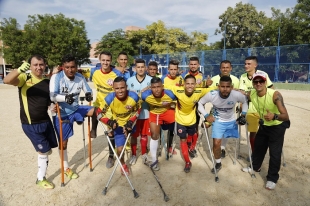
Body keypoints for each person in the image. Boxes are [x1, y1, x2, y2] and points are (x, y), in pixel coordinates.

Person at [4, 55, 58, 189]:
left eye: (41, 64)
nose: (39, 67)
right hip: (31, 124)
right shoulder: (25, 78)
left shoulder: (47, 81)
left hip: (45, 122)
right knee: (44, 151)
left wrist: (53, 108)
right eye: (35, 65)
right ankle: (40, 178)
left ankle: (42, 169)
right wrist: (19, 70)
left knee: (48, 151)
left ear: (45, 65)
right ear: (30, 66)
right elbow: (7, 80)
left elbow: (49, 104)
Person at [242, 72, 289, 190]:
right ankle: (255, 167)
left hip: (277, 125)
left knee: (274, 153)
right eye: (256, 82)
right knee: (258, 147)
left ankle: (272, 178)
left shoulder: (275, 95)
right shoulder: (252, 93)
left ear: (265, 82)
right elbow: (241, 93)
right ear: (252, 83)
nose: (258, 84)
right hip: (264, 124)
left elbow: (286, 116)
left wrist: (274, 116)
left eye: (261, 81)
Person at [50, 54, 94, 180]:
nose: (70, 70)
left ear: (76, 67)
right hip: (62, 112)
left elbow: (87, 89)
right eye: (67, 67)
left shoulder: (80, 77)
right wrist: (65, 98)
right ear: (63, 67)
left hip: (76, 108)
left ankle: (91, 128)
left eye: (73, 67)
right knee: (63, 143)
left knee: (96, 111)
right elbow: (52, 96)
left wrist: (89, 94)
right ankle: (66, 167)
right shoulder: (56, 77)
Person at [198, 76, 248, 174]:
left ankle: (223, 148)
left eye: (228, 87)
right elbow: (200, 103)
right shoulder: (212, 94)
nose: (225, 89)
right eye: (222, 86)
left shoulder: (236, 94)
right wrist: (206, 115)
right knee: (216, 143)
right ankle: (218, 163)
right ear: (218, 86)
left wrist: (243, 114)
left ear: (232, 87)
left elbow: (245, 101)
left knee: (226, 136)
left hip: (231, 120)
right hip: (218, 120)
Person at [165, 75, 215, 172]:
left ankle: (191, 148)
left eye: (192, 84)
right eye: (187, 83)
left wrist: (237, 90)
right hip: (180, 120)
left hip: (192, 119)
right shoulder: (177, 90)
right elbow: (162, 86)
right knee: (183, 140)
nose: (190, 86)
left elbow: (215, 88)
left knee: (193, 134)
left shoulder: (199, 91)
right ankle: (188, 162)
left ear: (196, 85)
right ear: (183, 84)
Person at [97, 77, 141, 175]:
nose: (120, 91)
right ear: (113, 88)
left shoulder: (134, 97)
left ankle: (133, 154)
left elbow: (138, 110)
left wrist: (131, 121)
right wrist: (110, 122)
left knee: (134, 137)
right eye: (117, 88)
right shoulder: (109, 98)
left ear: (126, 87)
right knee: (120, 150)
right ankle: (123, 164)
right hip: (118, 125)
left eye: (122, 88)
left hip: (130, 122)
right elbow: (99, 114)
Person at [90, 51, 123, 168]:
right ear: (100, 60)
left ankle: (110, 156)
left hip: (111, 106)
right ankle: (93, 129)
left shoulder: (116, 74)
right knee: (92, 109)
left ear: (111, 61)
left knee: (111, 130)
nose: (105, 62)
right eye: (103, 60)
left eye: (108, 60)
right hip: (99, 103)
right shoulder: (94, 72)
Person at [239, 56, 273, 154]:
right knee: (253, 132)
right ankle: (255, 154)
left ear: (255, 65)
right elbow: (242, 93)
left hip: (264, 107)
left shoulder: (263, 74)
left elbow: (271, 88)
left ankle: (268, 151)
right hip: (251, 109)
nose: (246, 66)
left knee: (268, 131)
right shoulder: (243, 77)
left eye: (249, 64)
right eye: (245, 64)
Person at [141, 77, 176, 170]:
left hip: (167, 111)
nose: (156, 89)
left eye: (158, 87)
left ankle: (171, 146)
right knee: (154, 135)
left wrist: (169, 104)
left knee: (177, 128)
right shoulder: (145, 96)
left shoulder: (170, 95)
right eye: (154, 87)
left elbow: (178, 103)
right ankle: (154, 160)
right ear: (150, 88)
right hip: (155, 113)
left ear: (162, 87)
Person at [209, 60, 240, 158]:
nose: (225, 69)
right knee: (217, 129)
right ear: (220, 68)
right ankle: (217, 147)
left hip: (229, 109)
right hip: (217, 109)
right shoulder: (214, 79)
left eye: (227, 67)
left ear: (231, 68)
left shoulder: (235, 80)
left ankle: (222, 147)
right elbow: (210, 93)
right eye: (223, 67)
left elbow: (237, 95)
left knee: (226, 130)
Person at [126, 59, 152, 165]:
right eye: (138, 67)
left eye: (142, 67)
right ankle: (133, 155)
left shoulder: (151, 80)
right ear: (135, 68)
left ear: (145, 68)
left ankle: (144, 154)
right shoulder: (130, 81)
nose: (140, 69)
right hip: (134, 114)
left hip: (146, 112)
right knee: (134, 135)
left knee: (144, 135)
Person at [161, 59, 183, 156]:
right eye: (171, 69)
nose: (173, 71)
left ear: (177, 69)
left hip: (174, 108)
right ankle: (160, 148)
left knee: (171, 129)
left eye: (175, 69)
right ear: (168, 69)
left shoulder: (180, 79)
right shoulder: (163, 79)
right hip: (163, 108)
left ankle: (169, 147)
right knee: (161, 129)